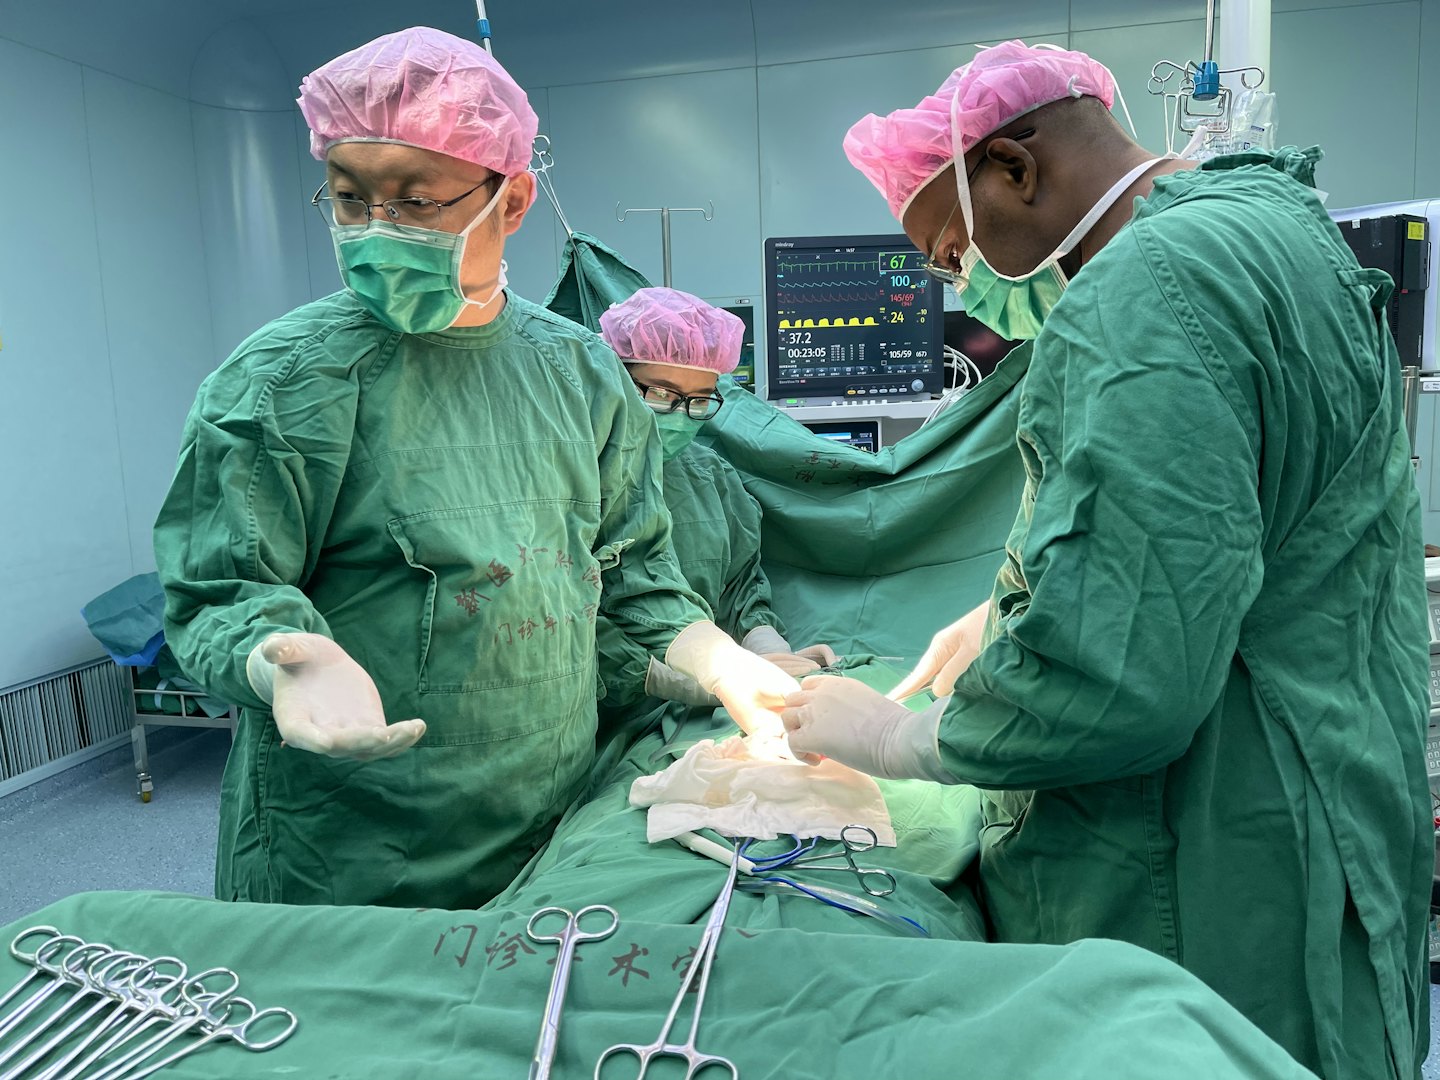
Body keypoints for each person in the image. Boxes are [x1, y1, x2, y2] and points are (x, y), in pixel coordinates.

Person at [780, 40, 1431, 1080]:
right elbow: (1244, 519)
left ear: (1014, 167)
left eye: (952, 250)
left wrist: (898, 737)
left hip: (1218, 859)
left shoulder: (1143, 292)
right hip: (1338, 778)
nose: (963, 288)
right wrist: (1012, 610)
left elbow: (1117, 679)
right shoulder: (1273, 231)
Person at [152, 27, 796, 911]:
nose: (377, 230)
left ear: (514, 199)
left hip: (546, 807)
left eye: (416, 201)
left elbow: (636, 569)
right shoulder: (282, 383)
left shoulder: (579, 372)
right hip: (346, 843)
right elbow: (219, 590)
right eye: (349, 198)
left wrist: (721, 661)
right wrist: (283, 661)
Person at [593, 287, 836, 729]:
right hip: (604, 714)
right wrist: (673, 679)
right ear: (613, 379)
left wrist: (766, 648)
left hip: (710, 713)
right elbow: (562, 611)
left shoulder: (709, 476)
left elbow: (740, 585)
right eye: (662, 394)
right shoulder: (573, 481)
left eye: (700, 400)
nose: (681, 415)